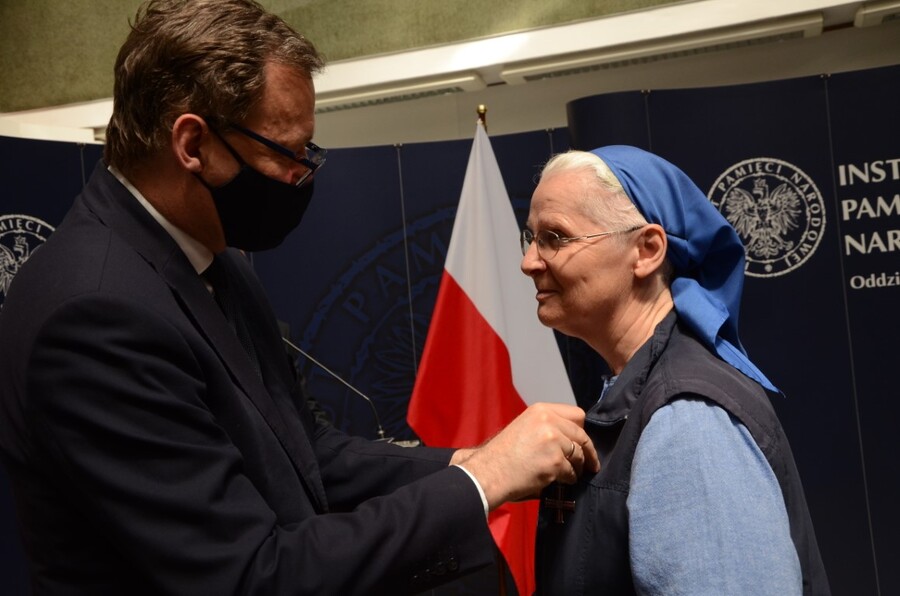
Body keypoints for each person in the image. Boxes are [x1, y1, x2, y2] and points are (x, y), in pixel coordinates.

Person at [0, 1, 600, 594]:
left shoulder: (216, 261)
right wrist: (484, 480)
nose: (302, 175)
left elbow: (308, 455)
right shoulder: (96, 312)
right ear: (193, 144)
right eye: (286, 152)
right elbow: (248, 576)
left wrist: (472, 460)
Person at [520, 146, 829, 595]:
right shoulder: (649, 393)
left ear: (646, 250)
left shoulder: (686, 418)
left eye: (555, 237)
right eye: (531, 237)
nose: (529, 262)